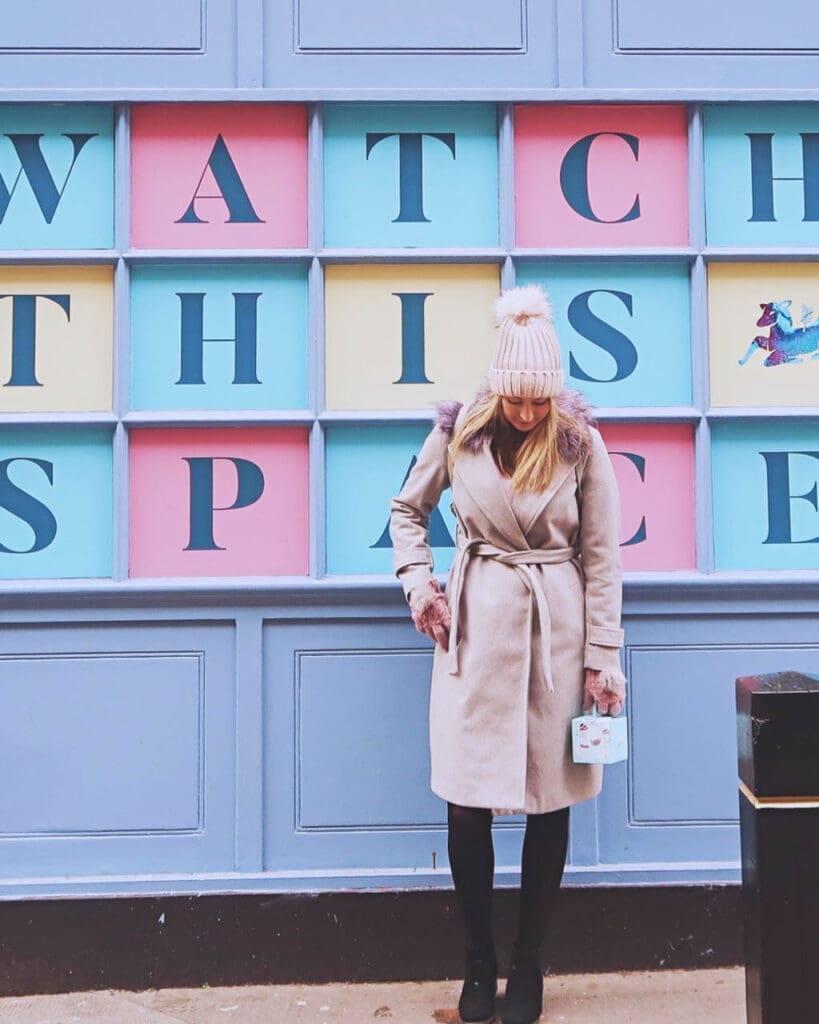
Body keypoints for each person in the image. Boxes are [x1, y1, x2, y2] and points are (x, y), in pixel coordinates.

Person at [389, 284, 626, 1024]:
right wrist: (420, 587)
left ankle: (528, 962)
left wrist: (602, 656)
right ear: (498, 388)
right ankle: (476, 960)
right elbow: (406, 511)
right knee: (467, 806)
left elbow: (601, 557)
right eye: (516, 400)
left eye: (538, 401)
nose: (527, 414)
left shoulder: (580, 444)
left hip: (556, 636)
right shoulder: (458, 434)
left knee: (549, 804)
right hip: (473, 632)